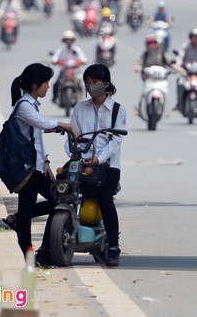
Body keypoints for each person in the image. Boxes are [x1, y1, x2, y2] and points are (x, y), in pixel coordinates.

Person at [5, 63, 78, 265]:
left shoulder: (31, 105)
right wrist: (67, 125)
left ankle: (29, 233)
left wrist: (45, 160)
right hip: (27, 171)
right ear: (36, 84)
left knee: (58, 201)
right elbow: (43, 124)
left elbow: (36, 136)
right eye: (46, 83)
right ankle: (30, 256)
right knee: (29, 216)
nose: (48, 86)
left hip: (37, 167)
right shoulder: (23, 106)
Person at [67, 64, 127, 266]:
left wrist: (98, 159)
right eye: (87, 82)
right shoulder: (79, 108)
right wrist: (75, 154)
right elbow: (71, 137)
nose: (90, 86)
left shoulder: (118, 110)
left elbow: (115, 141)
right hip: (80, 162)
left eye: (95, 82)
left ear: (106, 84)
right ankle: (48, 246)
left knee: (104, 197)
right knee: (62, 190)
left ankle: (113, 247)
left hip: (108, 166)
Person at [134, 34, 173, 112]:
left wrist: (179, 69)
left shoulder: (162, 53)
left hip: (161, 77)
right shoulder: (145, 54)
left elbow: (170, 62)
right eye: (149, 43)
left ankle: (166, 109)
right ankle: (139, 107)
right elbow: (139, 63)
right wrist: (138, 68)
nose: (151, 45)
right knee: (145, 91)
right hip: (149, 77)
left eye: (153, 42)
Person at [50, 30, 88, 103]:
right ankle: (55, 98)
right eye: (67, 39)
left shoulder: (77, 50)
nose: (68, 41)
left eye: (70, 39)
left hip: (75, 71)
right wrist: (57, 62)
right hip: (64, 70)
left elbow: (84, 60)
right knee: (56, 83)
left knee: (81, 84)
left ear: (72, 40)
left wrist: (77, 63)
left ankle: (81, 99)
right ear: (64, 40)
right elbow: (54, 59)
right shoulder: (61, 50)